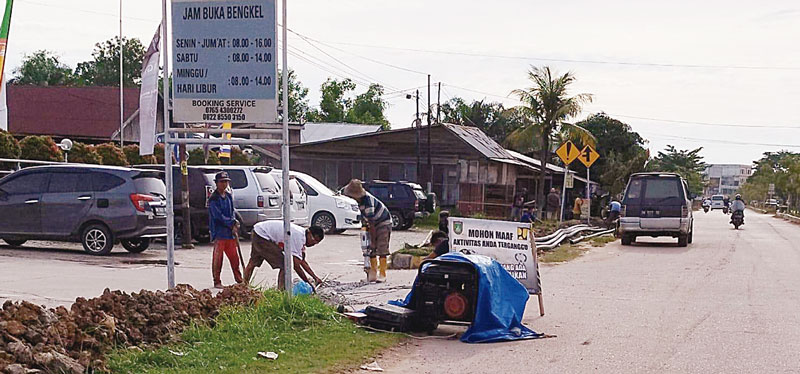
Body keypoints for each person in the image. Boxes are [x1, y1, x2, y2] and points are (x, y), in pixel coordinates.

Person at [244, 220, 325, 290]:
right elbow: (296, 266)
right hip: (262, 235)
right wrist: (308, 283)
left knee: (253, 262)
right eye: (314, 240)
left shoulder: (302, 235)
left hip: (259, 230)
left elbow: (302, 261)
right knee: (285, 264)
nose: (313, 244)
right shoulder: (298, 237)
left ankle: (244, 285)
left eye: (316, 243)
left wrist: (315, 277)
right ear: (309, 233)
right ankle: (281, 291)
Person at [344, 179, 392, 283]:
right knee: (370, 249)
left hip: (383, 222)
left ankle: (382, 274)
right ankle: (372, 274)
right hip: (373, 223)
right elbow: (366, 221)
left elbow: (372, 223)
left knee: (381, 247)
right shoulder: (359, 201)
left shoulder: (368, 202)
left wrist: (373, 239)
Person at [208, 171, 243, 288]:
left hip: (230, 233)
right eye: (222, 182)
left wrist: (234, 223)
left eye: (226, 182)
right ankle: (217, 281)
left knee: (234, 258)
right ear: (217, 183)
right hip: (219, 232)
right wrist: (230, 223)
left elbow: (232, 211)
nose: (224, 184)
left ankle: (239, 280)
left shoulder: (228, 196)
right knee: (218, 259)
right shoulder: (214, 199)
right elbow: (217, 216)